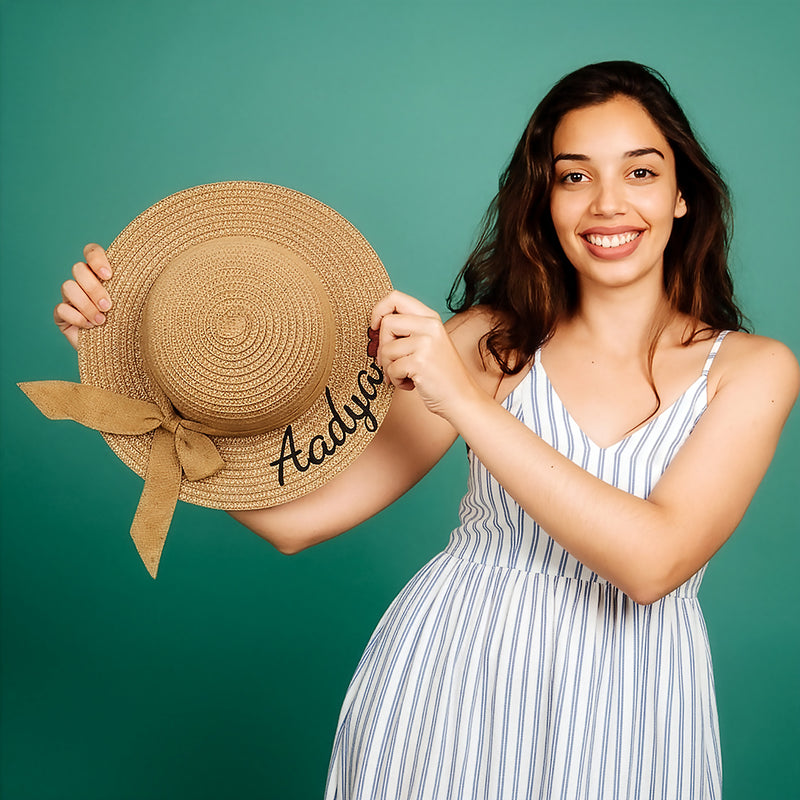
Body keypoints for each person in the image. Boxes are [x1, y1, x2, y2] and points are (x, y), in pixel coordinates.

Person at [55, 61, 798, 798]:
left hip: (636, 710)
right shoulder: (482, 343)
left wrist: (465, 403)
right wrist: (127, 375)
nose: (608, 204)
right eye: (575, 177)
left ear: (682, 198)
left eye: (640, 173)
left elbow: (653, 565)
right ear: (542, 202)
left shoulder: (751, 370)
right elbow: (297, 522)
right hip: (450, 690)